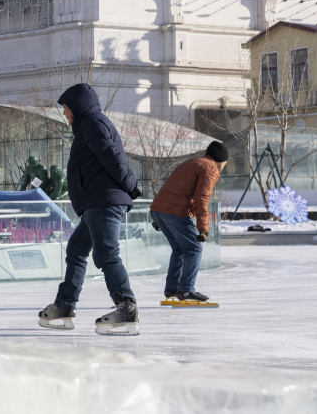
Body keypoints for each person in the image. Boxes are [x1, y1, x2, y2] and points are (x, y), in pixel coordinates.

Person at [38, 83, 142, 336]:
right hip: (95, 202)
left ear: (78, 105)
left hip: (104, 201)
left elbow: (113, 157)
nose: (65, 113)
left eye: (66, 108)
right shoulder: (88, 126)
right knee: (76, 250)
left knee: (106, 253)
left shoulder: (93, 124)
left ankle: (126, 307)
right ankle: (64, 306)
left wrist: (130, 186)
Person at [150, 141, 228, 302]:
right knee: (194, 249)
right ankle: (186, 289)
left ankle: (172, 288)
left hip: (159, 210)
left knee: (179, 249)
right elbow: (202, 198)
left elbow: (174, 188)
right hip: (174, 212)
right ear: (222, 160)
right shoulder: (210, 168)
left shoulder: (192, 163)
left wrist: (161, 217)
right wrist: (203, 228)